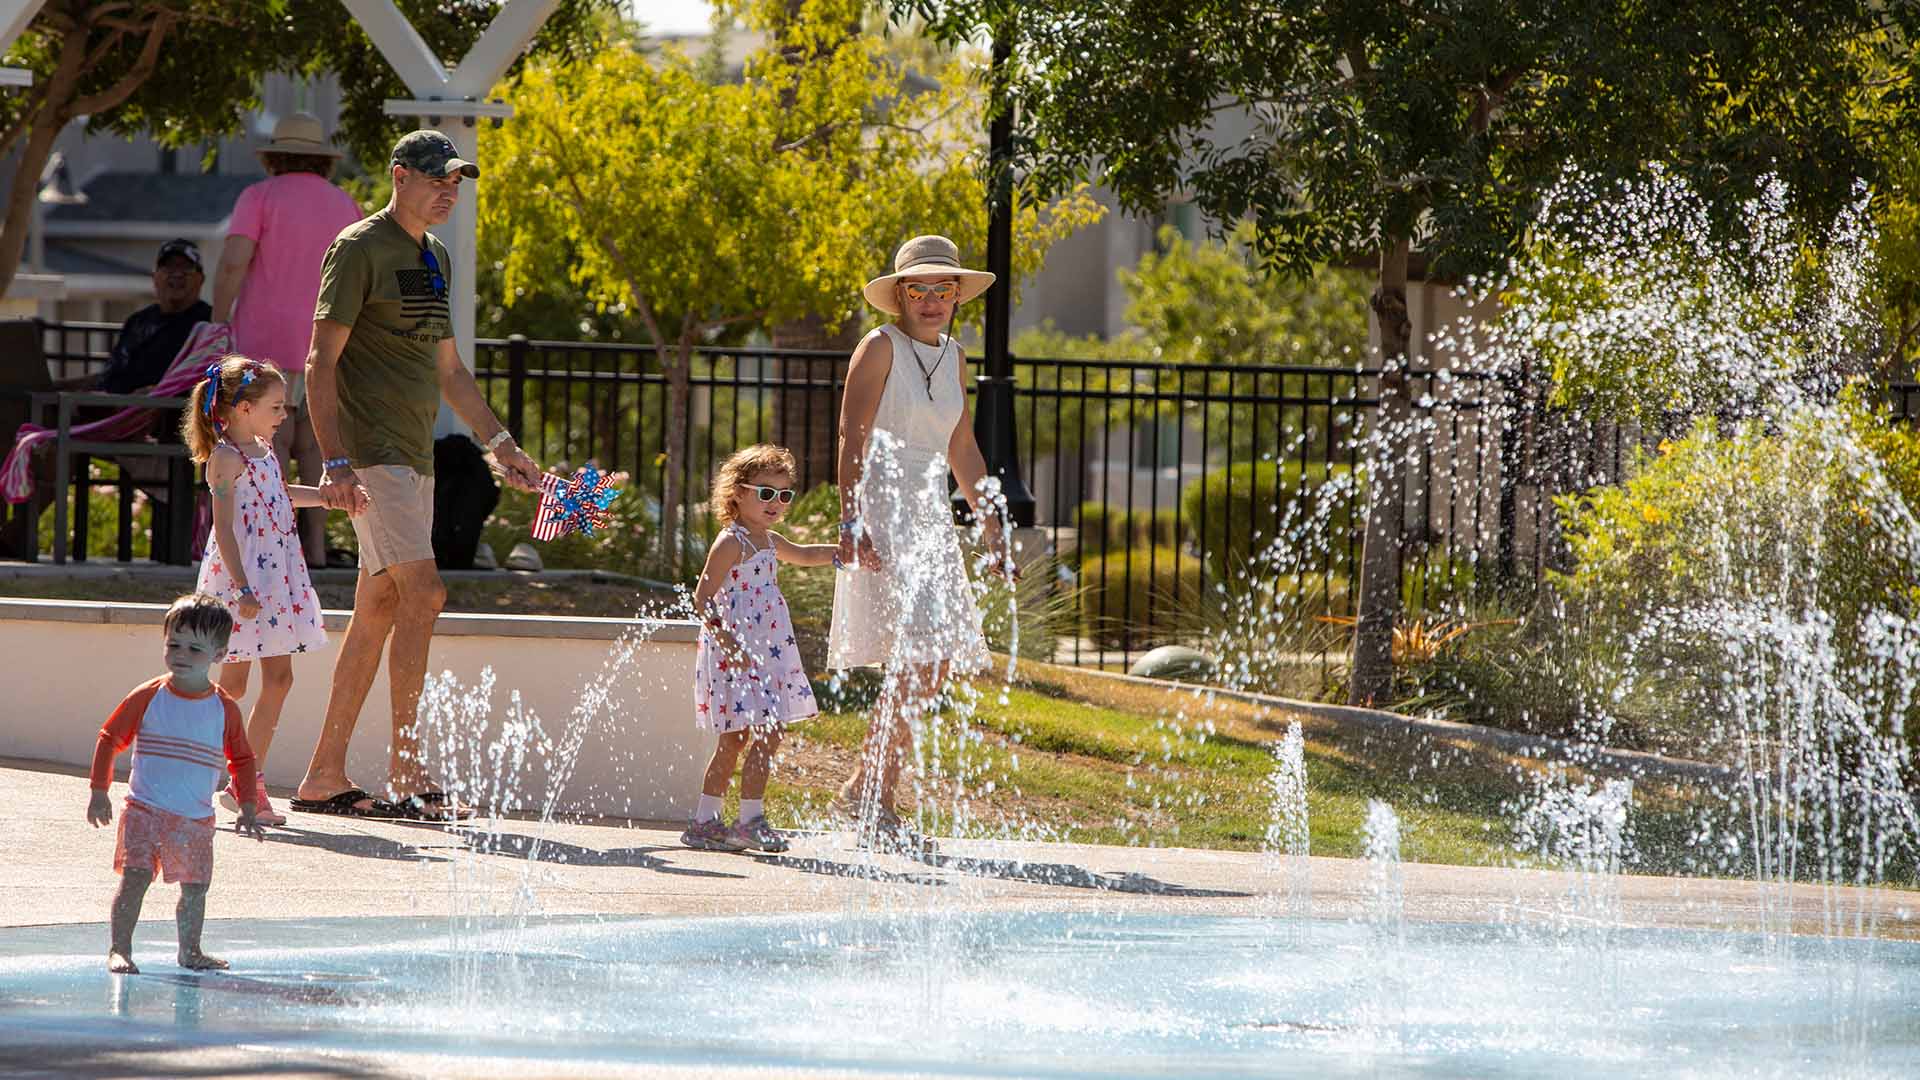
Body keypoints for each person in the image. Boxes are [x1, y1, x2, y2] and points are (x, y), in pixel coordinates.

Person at [291, 130, 544, 823]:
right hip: (374, 454)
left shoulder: (435, 257)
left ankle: (322, 775)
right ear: (398, 175)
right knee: (425, 592)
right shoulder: (357, 247)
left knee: (377, 607)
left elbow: (450, 372)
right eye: (437, 179)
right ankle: (408, 769)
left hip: (417, 455)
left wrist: (500, 443)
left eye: (456, 182)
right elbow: (320, 361)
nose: (448, 192)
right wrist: (335, 459)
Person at [827, 234, 1015, 854]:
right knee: (918, 655)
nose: (931, 300)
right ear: (900, 295)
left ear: (957, 295)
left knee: (932, 662)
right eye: (919, 289)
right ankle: (873, 796)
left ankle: (866, 786)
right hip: (883, 508)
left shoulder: (955, 355)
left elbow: (962, 448)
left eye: (943, 289)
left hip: (930, 515)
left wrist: (993, 526)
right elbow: (851, 438)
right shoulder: (878, 347)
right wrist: (850, 519)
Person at [183, 355, 363, 827]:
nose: (285, 415)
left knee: (279, 680)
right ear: (243, 408)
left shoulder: (264, 448)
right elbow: (223, 530)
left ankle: (246, 779)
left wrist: (328, 498)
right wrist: (241, 587)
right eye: (277, 406)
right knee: (235, 685)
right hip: (244, 583)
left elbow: (280, 495)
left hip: (278, 581)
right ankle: (200, 763)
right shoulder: (224, 459)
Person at [212, 113, 364, 569]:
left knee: (268, 444)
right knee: (318, 446)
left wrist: (218, 321)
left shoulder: (258, 197)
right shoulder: (346, 205)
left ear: (274, 156)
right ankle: (315, 550)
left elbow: (234, 263)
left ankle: (274, 546)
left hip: (264, 343)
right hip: (327, 343)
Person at [87, 593, 266, 974]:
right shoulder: (150, 696)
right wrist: (99, 791)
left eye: (195, 648)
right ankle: (119, 949)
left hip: (195, 819)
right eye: (174, 644)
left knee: (196, 889)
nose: (181, 654)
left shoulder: (224, 707)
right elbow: (109, 737)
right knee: (135, 879)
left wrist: (249, 805)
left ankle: (191, 951)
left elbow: (243, 759)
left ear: (219, 655)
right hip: (144, 810)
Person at [683, 445, 838, 853]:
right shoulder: (731, 543)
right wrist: (727, 642)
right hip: (735, 653)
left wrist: (841, 554)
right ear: (737, 492)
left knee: (766, 732)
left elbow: (804, 555)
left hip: (767, 651)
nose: (776, 503)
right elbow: (702, 598)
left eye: (785, 495)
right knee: (736, 739)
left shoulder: (767, 539)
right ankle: (726, 820)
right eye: (766, 493)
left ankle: (725, 819)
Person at [102, 239, 212, 395]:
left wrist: (157, 393)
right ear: (155, 277)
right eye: (168, 266)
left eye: (186, 267)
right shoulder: (138, 321)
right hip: (114, 405)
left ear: (201, 279)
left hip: (165, 410)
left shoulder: (209, 325)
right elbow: (111, 373)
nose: (177, 274)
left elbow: (210, 383)